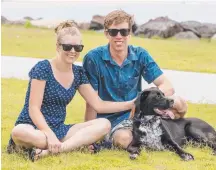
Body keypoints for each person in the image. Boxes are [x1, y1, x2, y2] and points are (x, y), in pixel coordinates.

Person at [7, 20, 135, 162]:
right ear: (58, 46)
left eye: (77, 47)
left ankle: (56, 149)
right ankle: (72, 145)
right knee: (18, 132)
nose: (73, 51)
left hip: (59, 129)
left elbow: (99, 105)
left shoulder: (78, 73)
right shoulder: (43, 68)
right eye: (68, 47)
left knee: (104, 124)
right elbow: (33, 108)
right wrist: (49, 134)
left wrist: (131, 104)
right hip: (32, 126)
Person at [83, 10, 188, 150]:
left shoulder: (140, 54)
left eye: (124, 32)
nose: (119, 36)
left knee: (180, 104)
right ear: (106, 34)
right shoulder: (93, 59)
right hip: (109, 120)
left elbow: (167, 85)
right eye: (114, 32)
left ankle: (171, 132)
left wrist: (145, 99)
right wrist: (90, 137)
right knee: (124, 139)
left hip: (138, 116)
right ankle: (156, 136)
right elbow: (92, 104)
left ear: (130, 33)